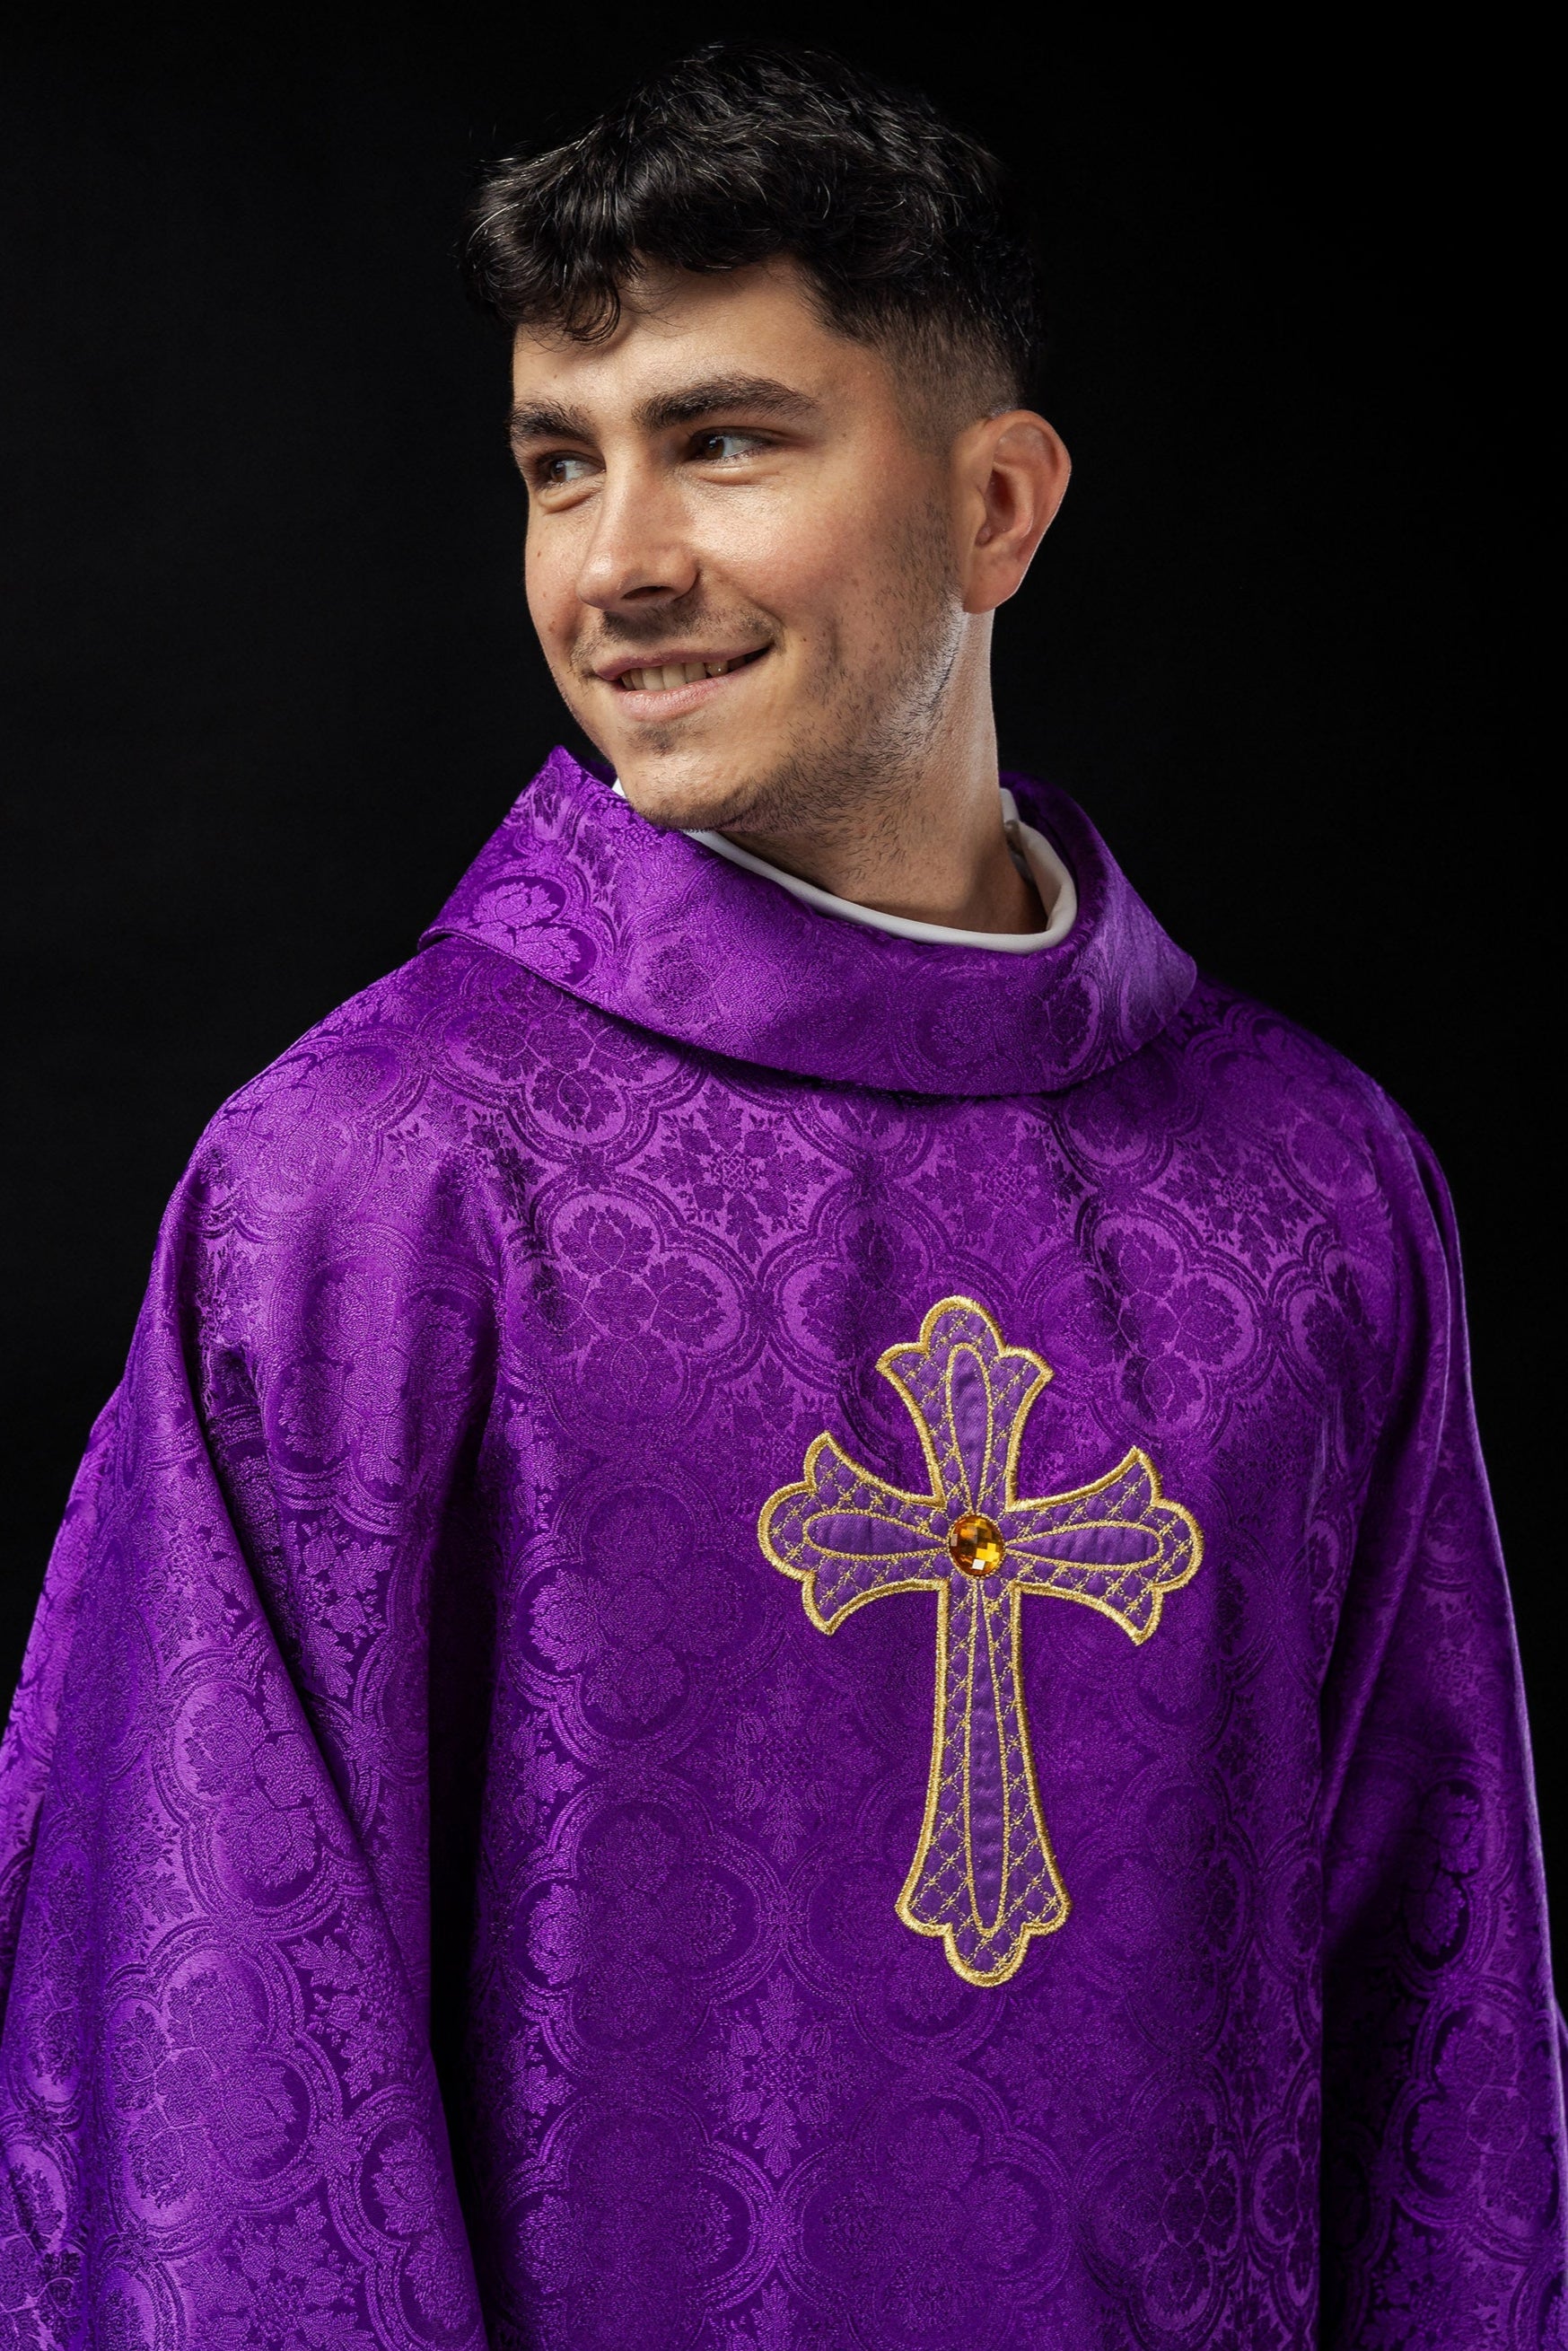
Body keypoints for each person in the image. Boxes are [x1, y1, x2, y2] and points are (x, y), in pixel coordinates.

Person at [1, 40, 1561, 2350]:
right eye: (558, 465)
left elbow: (1442, 2031)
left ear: (996, 507)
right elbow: (218, 2091)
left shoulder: (1312, 1192)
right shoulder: (360, 1189)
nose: (619, 563)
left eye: (722, 441)